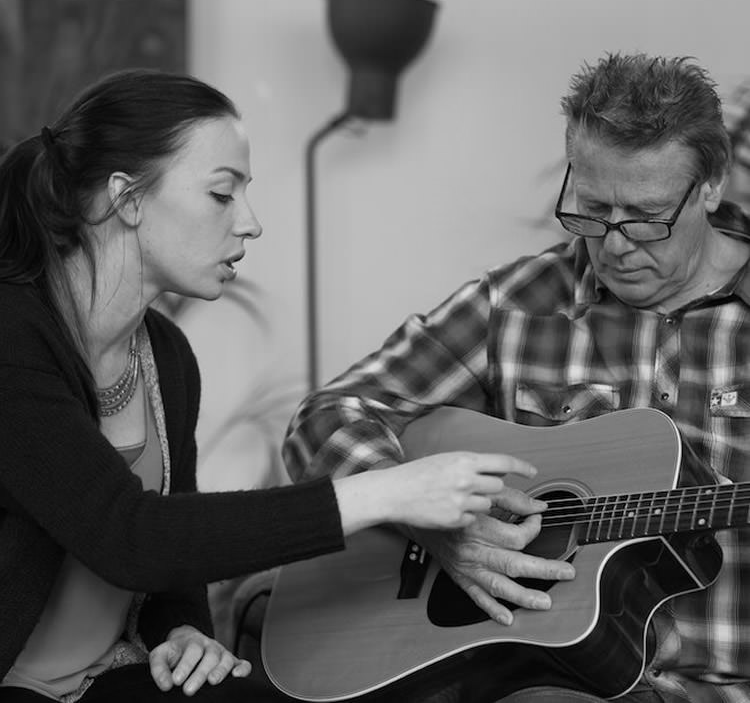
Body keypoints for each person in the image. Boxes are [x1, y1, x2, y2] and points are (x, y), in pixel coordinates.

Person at [0, 68, 544, 703]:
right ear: (128, 199)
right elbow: (128, 536)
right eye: (221, 194)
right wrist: (388, 491)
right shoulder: (12, 334)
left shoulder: (165, 356)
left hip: (104, 680)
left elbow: (174, 561)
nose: (251, 223)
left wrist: (182, 630)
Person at [283, 52, 750, 703]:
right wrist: (429, 522)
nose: (615, 245)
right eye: (592, 209)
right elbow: (328, 416)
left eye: (646, 217)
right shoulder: (515, 304)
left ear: (711, 185)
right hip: (558, 686)